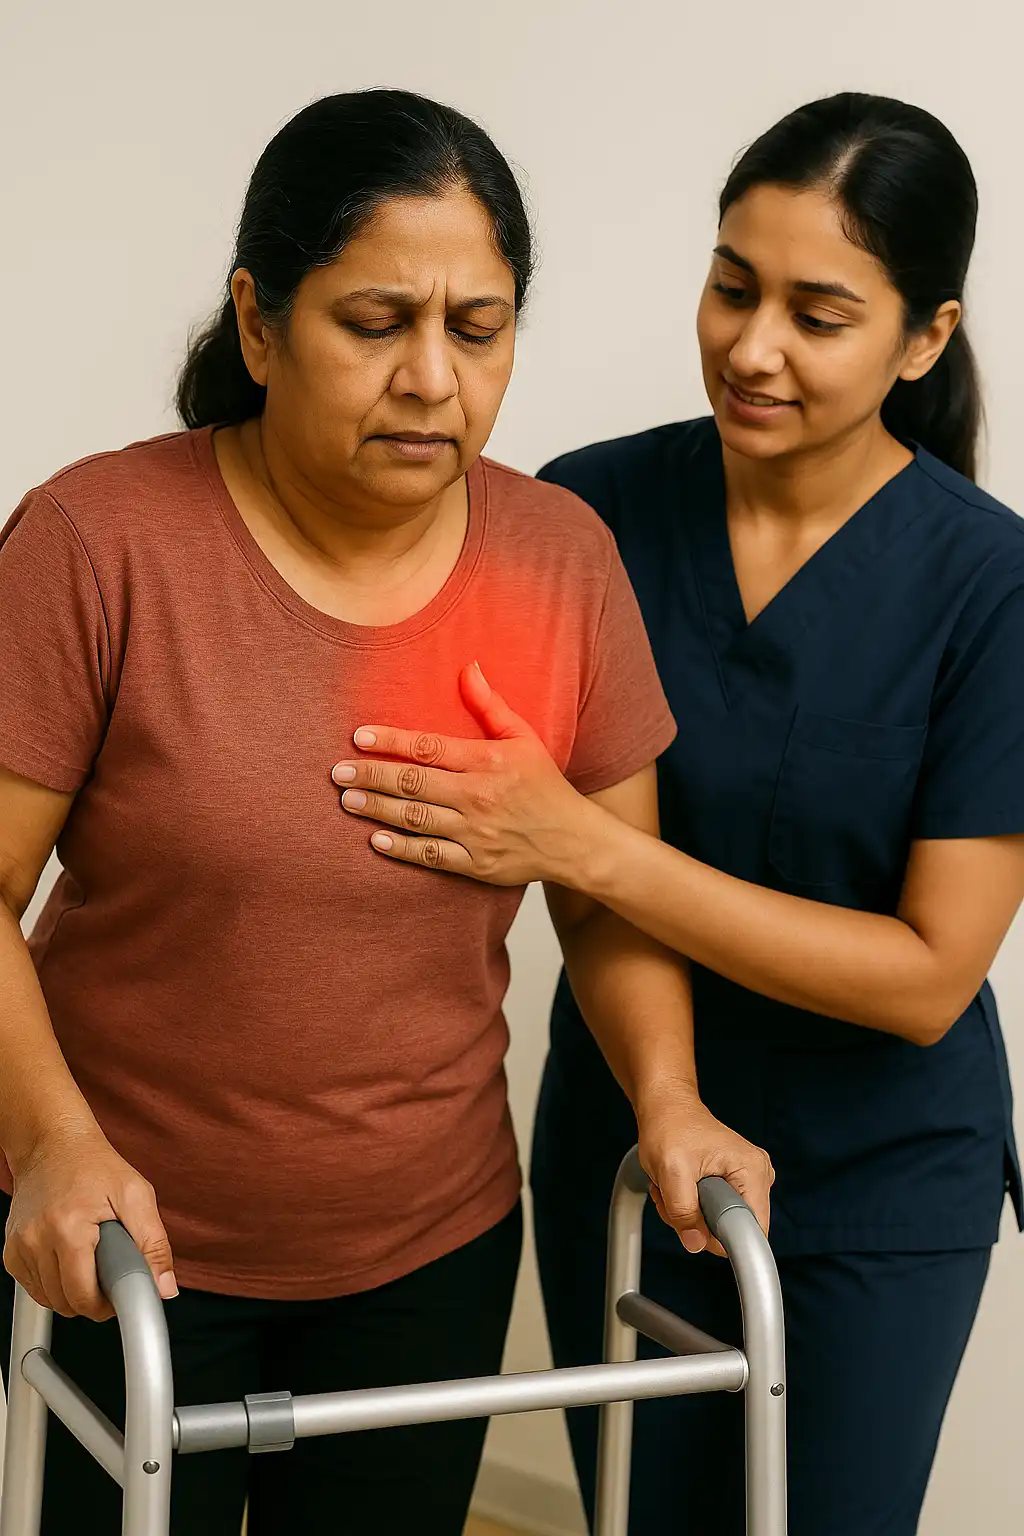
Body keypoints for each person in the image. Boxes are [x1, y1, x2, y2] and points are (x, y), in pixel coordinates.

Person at [0, 89, 772, 1536]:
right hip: (125, 1245)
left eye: (477, 331)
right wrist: (49, 1145)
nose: (432, 378)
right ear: (258, 321)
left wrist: (669, 1097)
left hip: (430, 1253)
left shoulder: (560, 559)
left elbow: (605, 895)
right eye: (375, 323)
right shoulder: (99, 544)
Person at [333, 93, 1024, 1535]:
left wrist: (590, 847)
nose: (752, 346)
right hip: (626, 1145)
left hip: (881, 1175)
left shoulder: (988, 588)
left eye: (818, 314)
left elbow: (928, 977)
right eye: (731, 286)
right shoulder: (585, 518)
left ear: (926, 339)